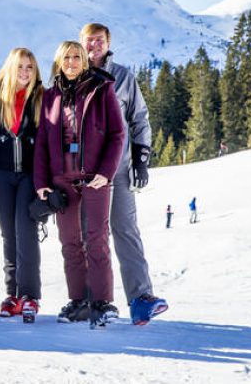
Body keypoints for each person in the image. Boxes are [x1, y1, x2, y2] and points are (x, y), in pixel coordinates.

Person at [81, 23, 168, 325]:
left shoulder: (123, 77)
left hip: (117, 169)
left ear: (108, 44)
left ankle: (141, 298)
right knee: (90, 237)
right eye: (89, 41)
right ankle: (92, 301)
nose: (94, 46)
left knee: (126, 230)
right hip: (85, 174)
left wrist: (141, 158)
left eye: (100, 41)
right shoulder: (71, 75)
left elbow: (139, 118)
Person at [34, 41, 125, 327]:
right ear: (58, 62)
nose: (71, 62)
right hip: (62, 180)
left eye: (76, 57)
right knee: (70, 242)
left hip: (95, 178)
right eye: (66, 58)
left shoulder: (102, 89)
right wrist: (41, 183)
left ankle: (103, 302)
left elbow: (117, 134)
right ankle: (79, 301)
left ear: (84, 61)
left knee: (96, 239)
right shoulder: (50, 97)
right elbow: (41, 144)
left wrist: (107, 171)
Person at [0, 47, 45, 323]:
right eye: (20, 67)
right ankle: (13, 294)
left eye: (29, 67)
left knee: (26, 231)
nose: (24, 72)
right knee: (9, 233)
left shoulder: (42, 98)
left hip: (30, 174)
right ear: (10, 68)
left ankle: (30, 295)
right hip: (2, 173)